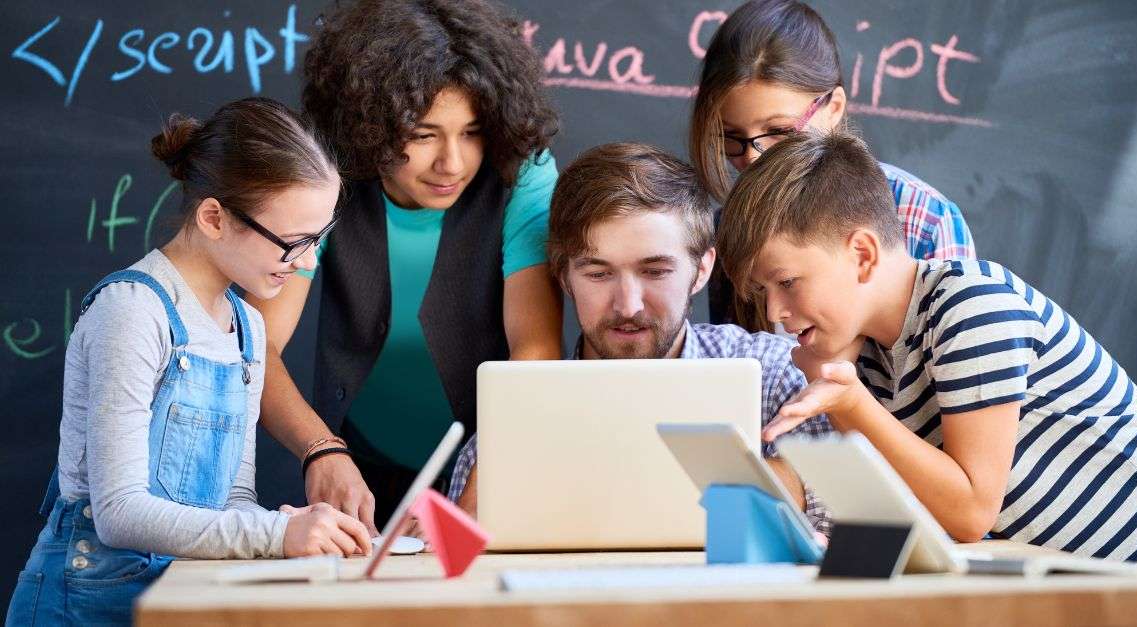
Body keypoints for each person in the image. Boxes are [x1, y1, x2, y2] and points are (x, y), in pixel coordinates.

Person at [716, 128, 1137, 570]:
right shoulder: (866, 358)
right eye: (764, 292)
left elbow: (970, 511)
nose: (775, 311)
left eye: (787, 282)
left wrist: (849, 402)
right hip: (1106, 586)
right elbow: (921, 507)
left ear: (861, 255)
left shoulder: (969, 304)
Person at [5, 98, 371, 626]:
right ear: (214, 217)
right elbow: (119, 514)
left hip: (177, 597)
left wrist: (293, 527)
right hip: (83, 602)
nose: (308, 262)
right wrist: (276, 534)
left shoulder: (247, 328)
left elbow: (234, 497)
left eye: (319, 240)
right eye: (293, 244)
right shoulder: (133, 311)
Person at [246, 0, 563, 534]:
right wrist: (321, 450)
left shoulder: (525, 174)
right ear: (370, 124)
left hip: (488, 454)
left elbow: (536, 347)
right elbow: (257, 348)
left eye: (472, 131)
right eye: (422, 135)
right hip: (358, 466)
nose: (453, 163)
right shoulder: (323, 170)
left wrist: (471, 499)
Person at [447, 143, 833, 534]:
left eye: (655, 272)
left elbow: (843, 519)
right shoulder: (514, 417)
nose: (628, 306)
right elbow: (457, 554)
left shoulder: (773, 375)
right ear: (563, 276)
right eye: (598, 274)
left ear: (701, 270)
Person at [689, 0, 975, 329]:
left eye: (779, 131)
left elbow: (951, 360)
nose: (754, 156)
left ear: (834, 108)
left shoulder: (921, 219)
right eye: (731, 136)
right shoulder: (729, 229)